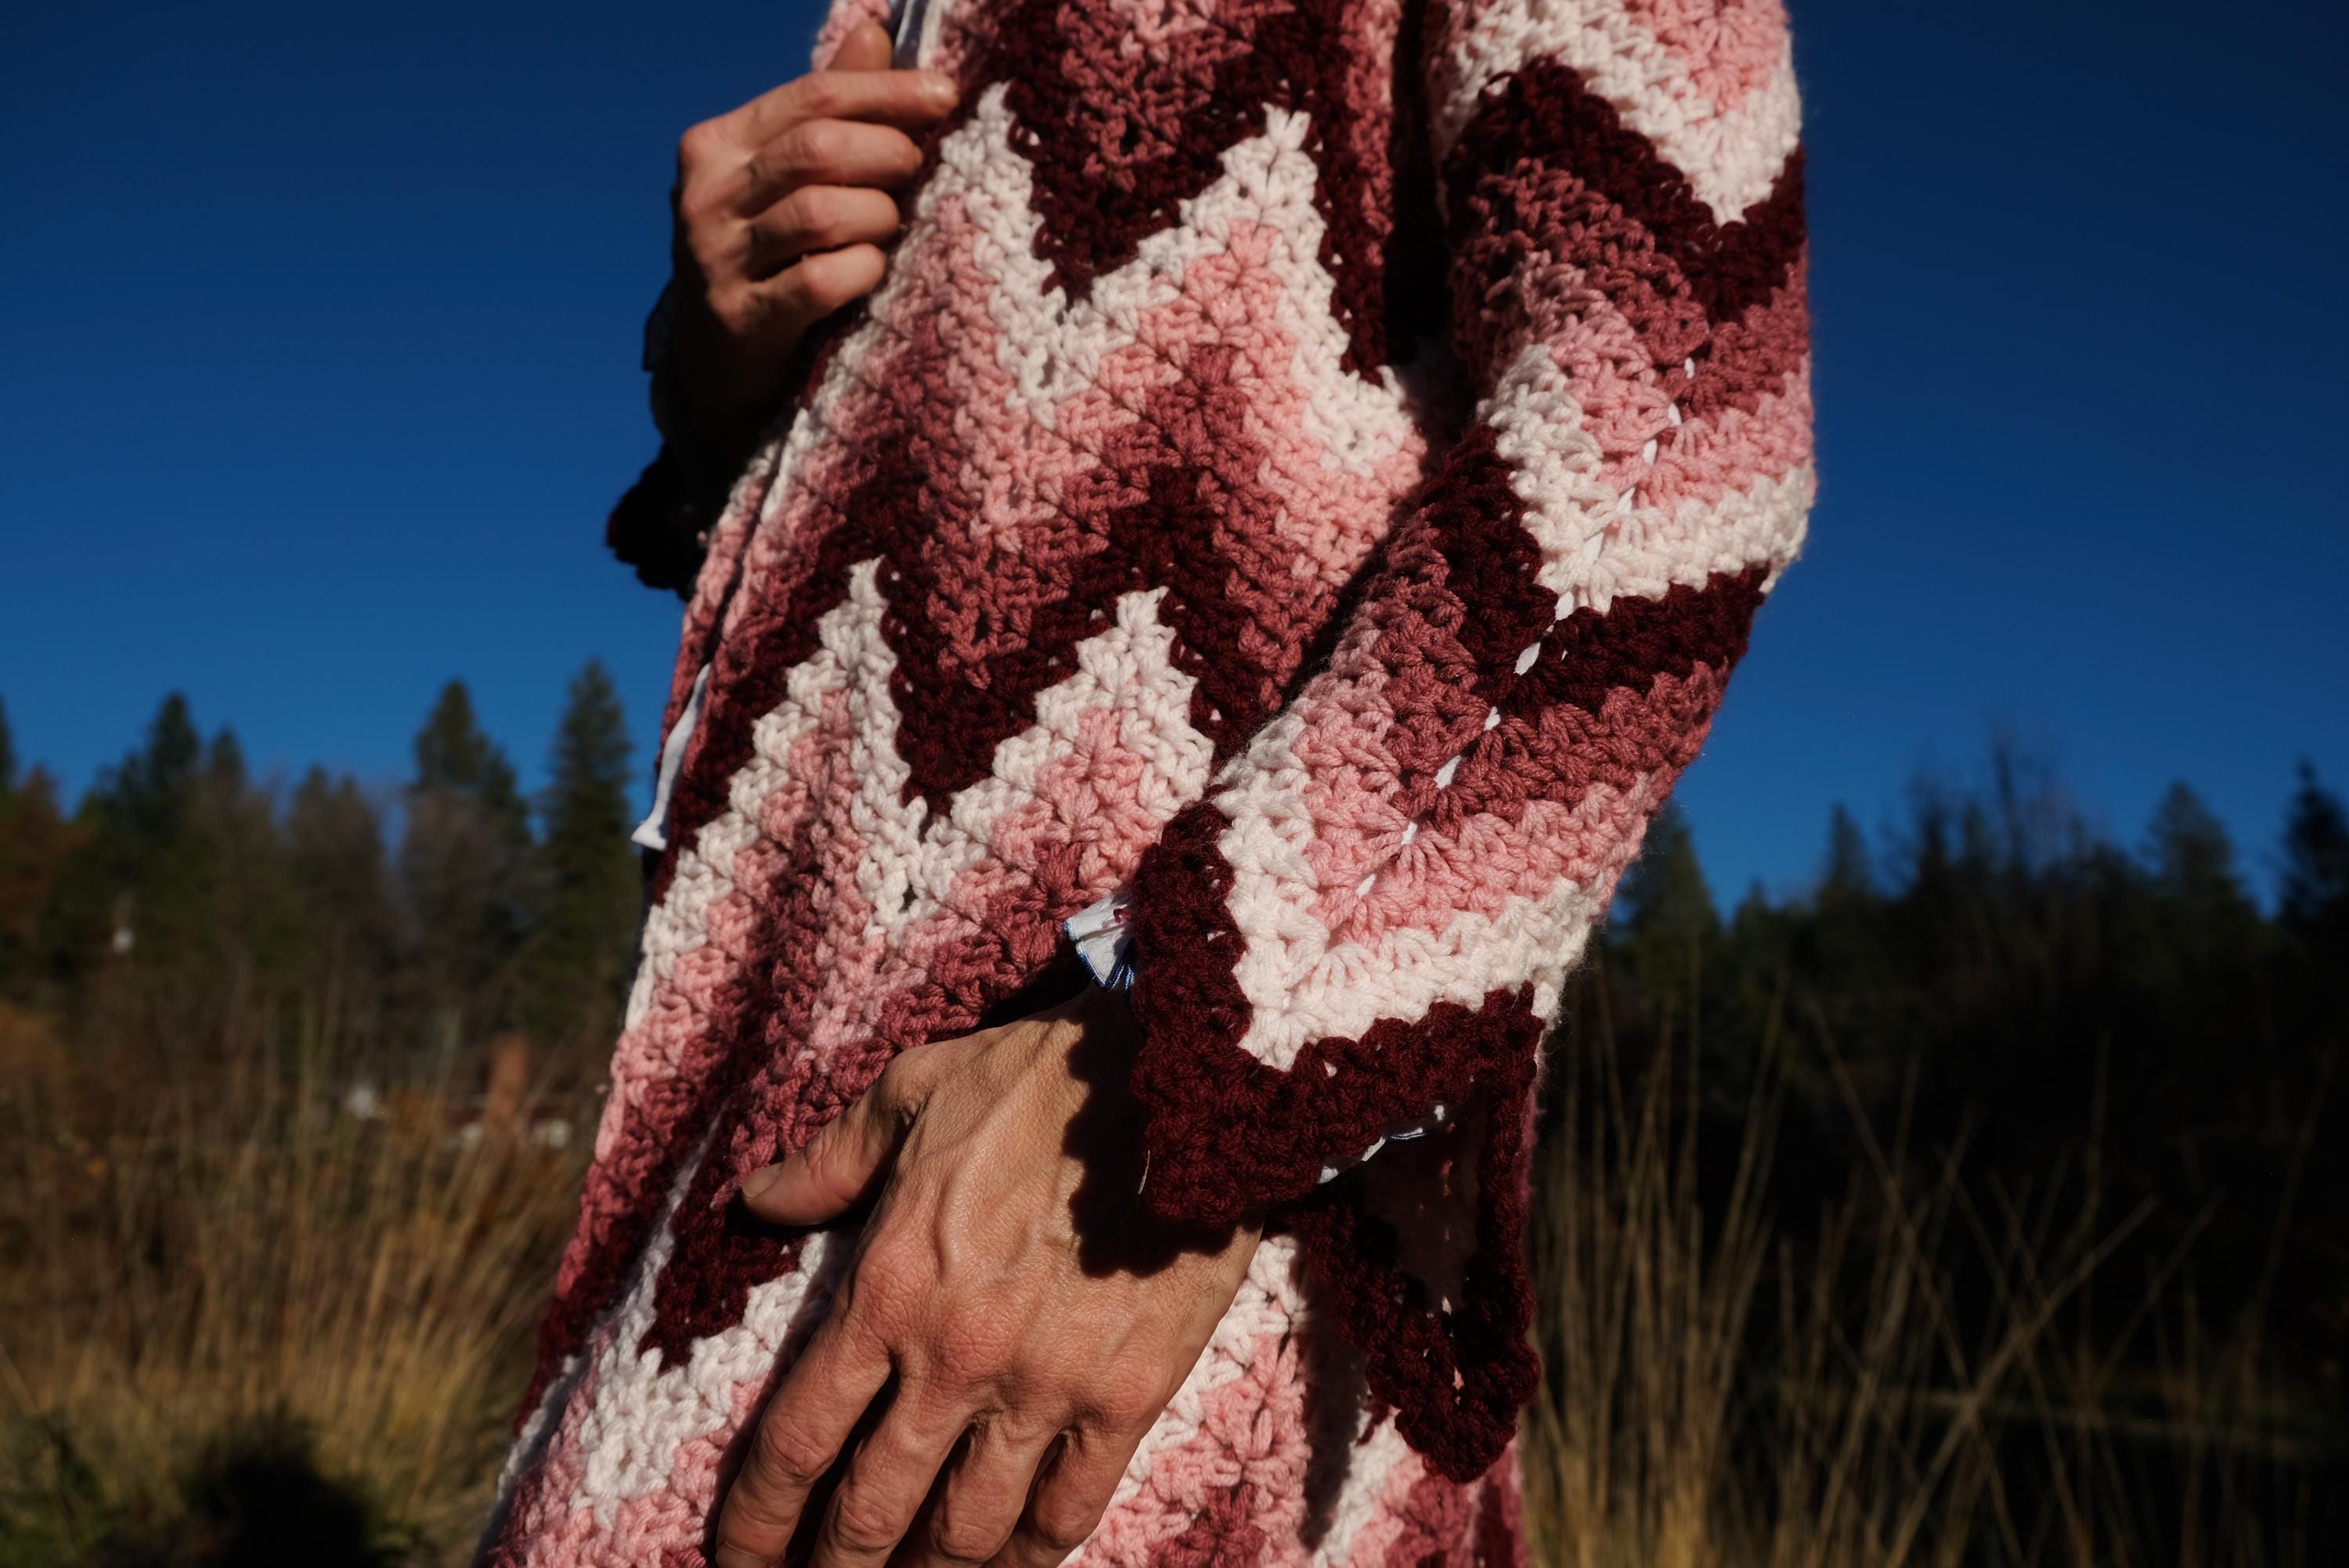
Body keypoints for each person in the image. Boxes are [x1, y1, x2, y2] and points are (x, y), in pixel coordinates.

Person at [475, 0, 1813, 1563]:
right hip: (764, 1244)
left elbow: (1677, 396)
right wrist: (716, 377)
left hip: (1076, 1304)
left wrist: (1177, 1073)